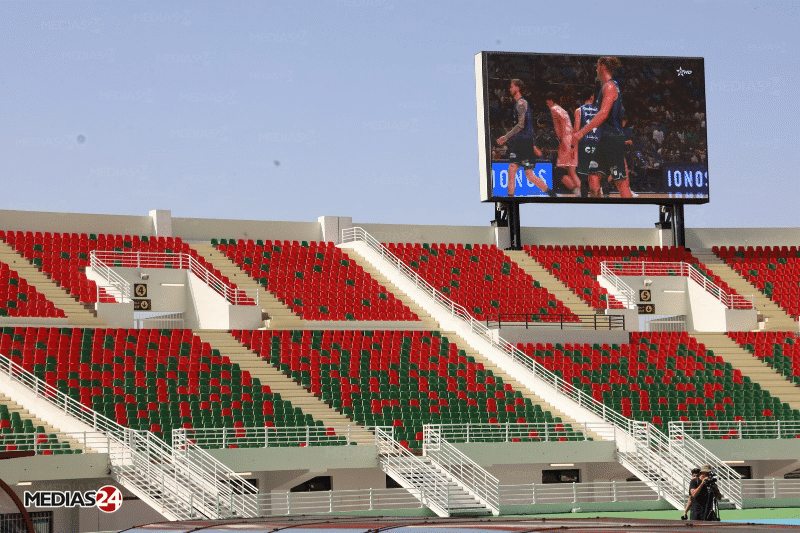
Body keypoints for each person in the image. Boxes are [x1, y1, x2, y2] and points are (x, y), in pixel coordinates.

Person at [572, 57, 633, 198]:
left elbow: (603, 114)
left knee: (621, 183)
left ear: (602, 67)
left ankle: (629, 211)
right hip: (603, 140)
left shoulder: (610, 86)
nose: (595, 69)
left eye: (597, 66)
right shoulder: (605, 87)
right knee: (593, 180)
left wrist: (581, 132)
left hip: (612, 140)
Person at [497, 79, 557, 198]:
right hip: (519, 142)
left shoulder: (521, 103)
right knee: (512, 170)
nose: (510, 89)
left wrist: (505, 137)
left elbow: (521, 125)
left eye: (512, 86)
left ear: (518, 88)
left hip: (525, 142)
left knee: (529, 175)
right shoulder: (517, 104)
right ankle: (511, 198)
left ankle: (552, 194)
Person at [545, 92, 581, 195]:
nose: (547, 104)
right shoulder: (563, 110)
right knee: (572, 172)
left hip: (566, 140)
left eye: (547, 102)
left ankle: (579, 191)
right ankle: (582, 192)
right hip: (572, 139)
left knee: (560, 172)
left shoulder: (553, 109)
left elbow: (559, 130)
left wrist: (563, 143)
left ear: (550, 100)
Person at [573, 88, 599, 197]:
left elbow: (576, 131)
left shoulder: (579, 110)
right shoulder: (599, 110)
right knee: (596, 176)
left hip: (584, 145)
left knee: (583, 175)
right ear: (592, 97)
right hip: (597, 145)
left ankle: (583, 197)